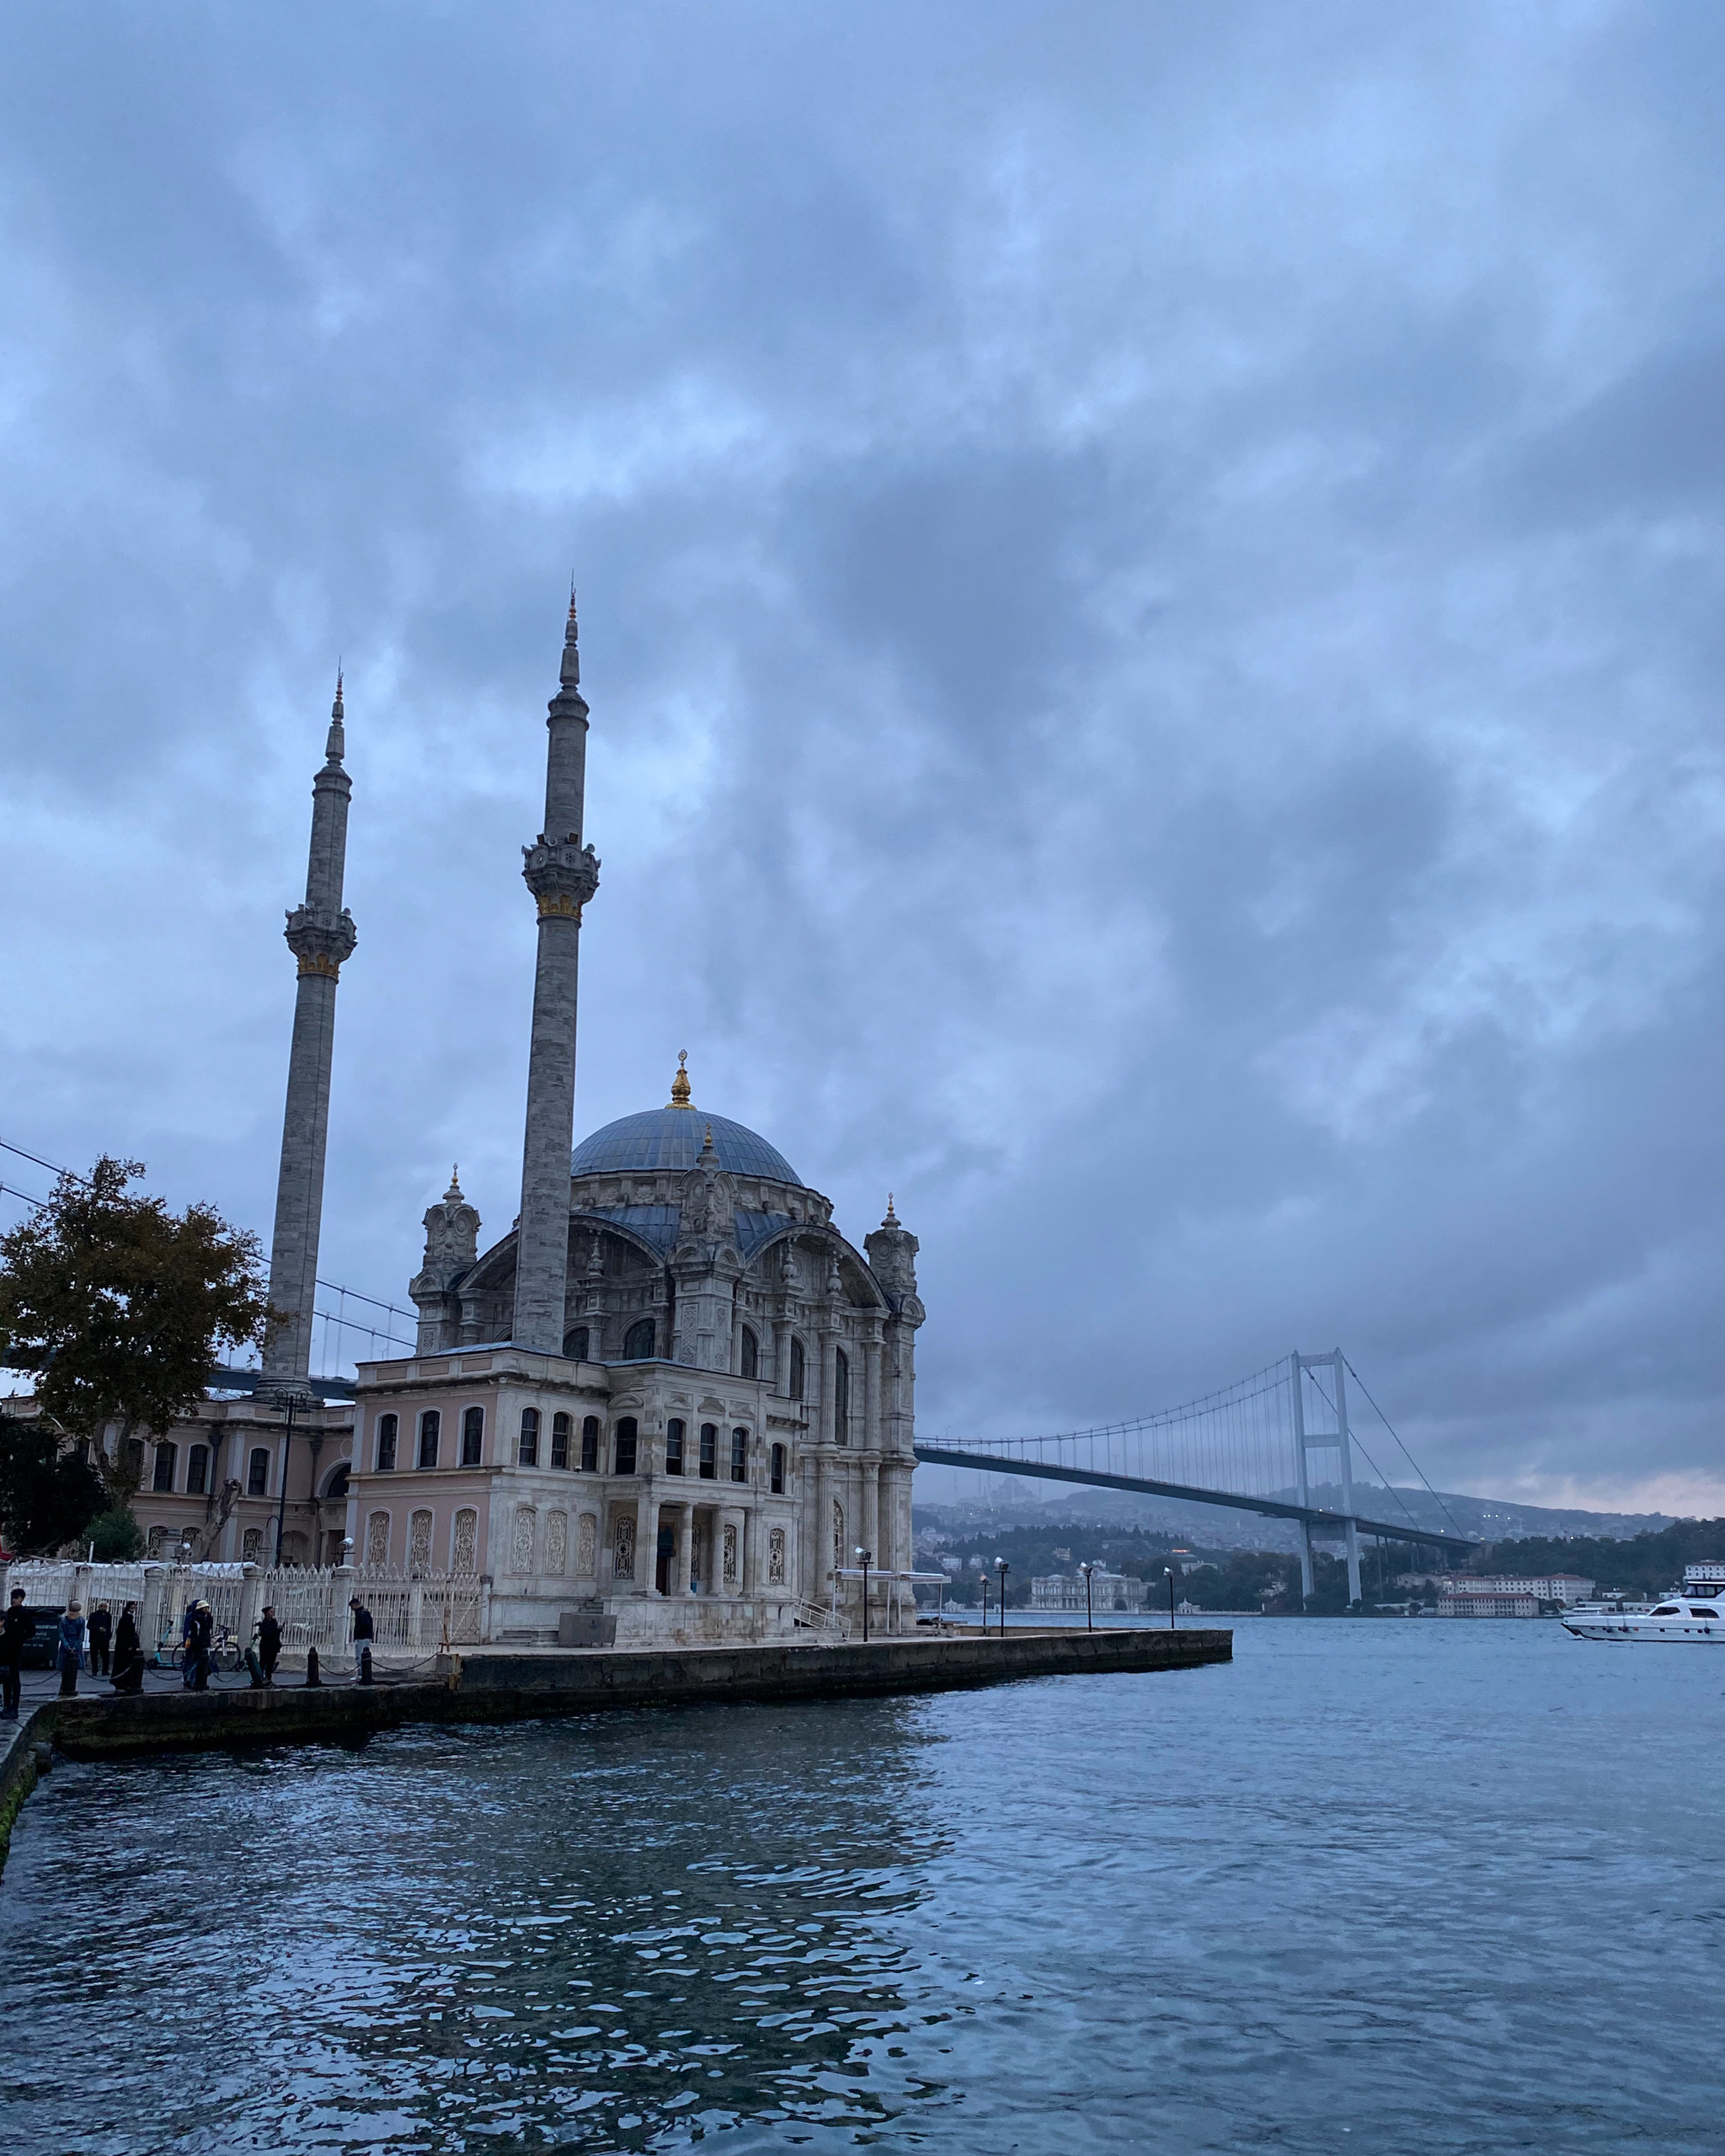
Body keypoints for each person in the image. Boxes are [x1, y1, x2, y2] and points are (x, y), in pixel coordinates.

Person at [2, 1587, 35, 1720]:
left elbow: (31, 1631)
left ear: (21, 1599)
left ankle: (14, 1708)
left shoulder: (24, 1613)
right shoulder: (10, 1612)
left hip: (15, 1650)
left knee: (14, 1679)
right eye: (12, 1598)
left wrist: (20, 1638)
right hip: (6, 1650)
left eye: (16, 1598)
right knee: (5, 1678)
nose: (13, 1600)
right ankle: (6, 1706)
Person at [111, 1601, 145, 1693]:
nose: (134, 1610)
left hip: (124, 1647)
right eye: (132, 1608)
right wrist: (130, 1645)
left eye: (135, 1608)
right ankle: (122, 1684)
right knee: (123, 1665)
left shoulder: (127, 1618)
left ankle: (125, 1684)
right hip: (124, 1648)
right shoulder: (126, 1618)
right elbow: (125, 1634)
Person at [183, 1599, 214, 1692]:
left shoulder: (201, 1617)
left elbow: (208, 1627)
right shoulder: (197, 1618)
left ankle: (193, 1680)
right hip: (197, 1644)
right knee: (193, 1662)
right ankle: (190, 1680)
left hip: (199, 1643)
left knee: (197, 1663)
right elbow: (199, 1631)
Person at [58, 1602, 87, 1697]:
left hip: (65, 1645)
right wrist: (75, 1647)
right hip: (75, 1645)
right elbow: (81, 1635)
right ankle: (71, 1687)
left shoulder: (64, 1620)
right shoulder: (81, 1620)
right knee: (74, 1668)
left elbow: (61, 1634)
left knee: (64, 1667)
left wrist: (66, 1645)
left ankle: (63, 1686)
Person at [349, 1596, 375, 1678]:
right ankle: (362, 1674)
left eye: (352, 1606)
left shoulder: (362, 1613)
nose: (352, 1609)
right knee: (362, 1656)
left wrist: (358, 1633)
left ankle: (361, 1674)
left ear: (355, 1604)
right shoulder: (363, 1612)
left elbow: (364, 1625)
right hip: (364, 1637)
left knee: (360, 1656)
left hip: (362, 1637)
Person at [256, 1605, 282, 1688]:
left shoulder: (274, 1621)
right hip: (265, 1646)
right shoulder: (264, 1623)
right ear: (266, 1613)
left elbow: (275, 1633)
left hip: (273, 1646)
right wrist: (276, 1629)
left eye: (273, 1611)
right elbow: (268, 1632)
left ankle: (268, 1679)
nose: (272, 1613)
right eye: (271, 1612)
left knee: (271, 1664)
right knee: (263, 1663)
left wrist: (279, 1629)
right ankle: (259, 1679)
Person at [87, 1601, 113, 1677]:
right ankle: (94, 1670)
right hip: (95, 1638)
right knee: (94, 1655)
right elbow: (89, 1626)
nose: (103, 1608)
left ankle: (105, 1670)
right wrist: (98, 1628)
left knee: (105, 1655)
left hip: (104, 1639)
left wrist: (108, 1636)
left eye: (105, 1606)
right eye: (101, 1606)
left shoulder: (108, 1615)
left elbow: (109, 1627)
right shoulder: (93, 1615)